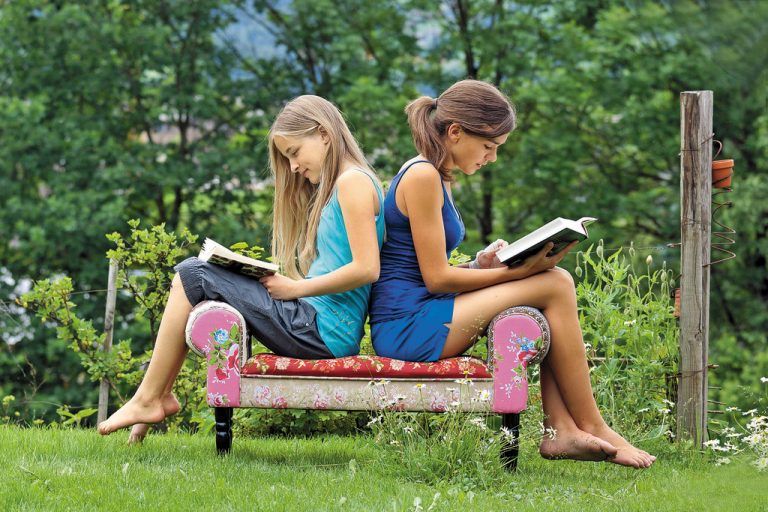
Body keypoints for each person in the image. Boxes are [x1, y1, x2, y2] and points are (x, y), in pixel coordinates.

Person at [369, 80, 656, 469]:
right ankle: (589, 425)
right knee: (555, 283)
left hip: (424, 313)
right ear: (455, 132)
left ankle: (564, 431)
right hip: (407, 327)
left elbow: (424, 269)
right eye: (489, 147)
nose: (492, 158)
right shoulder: (422, 176)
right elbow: (436, 279)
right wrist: (522, 272)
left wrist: (479, 266)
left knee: (553, 284)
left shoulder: (434, 175)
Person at [98, 95, 385, 441]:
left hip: (319, 331)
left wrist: (295, 289)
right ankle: (156, 396)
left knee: (193, 272)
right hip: (315, 324)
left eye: (294, 152)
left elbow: (368, 268)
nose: (293, 167)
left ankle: (149, 398)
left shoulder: (351, 182)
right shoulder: (351, 181)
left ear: (323, 134)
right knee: (197, 276)